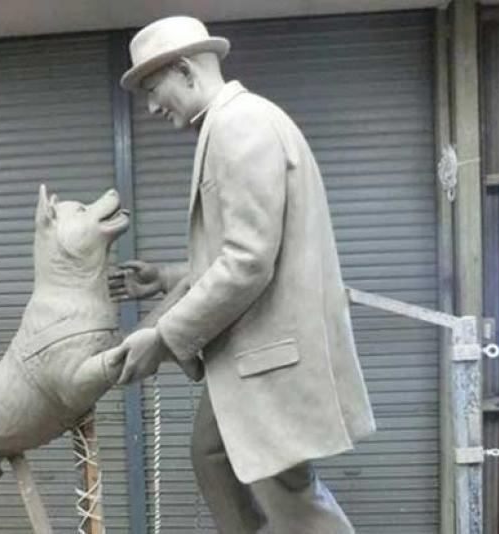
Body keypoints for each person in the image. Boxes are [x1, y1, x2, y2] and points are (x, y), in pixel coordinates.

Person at [110, 16, 376, 534]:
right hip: (255, 354)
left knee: (291, 499)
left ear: (185, 70)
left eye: (152, 87)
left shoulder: (240, 125)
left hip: (271, 358)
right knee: (212, 454)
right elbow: (248, 250)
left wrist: (163, 338)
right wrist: (167, 278)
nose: (150, 106)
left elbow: (249, 261)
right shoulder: (231, 124)